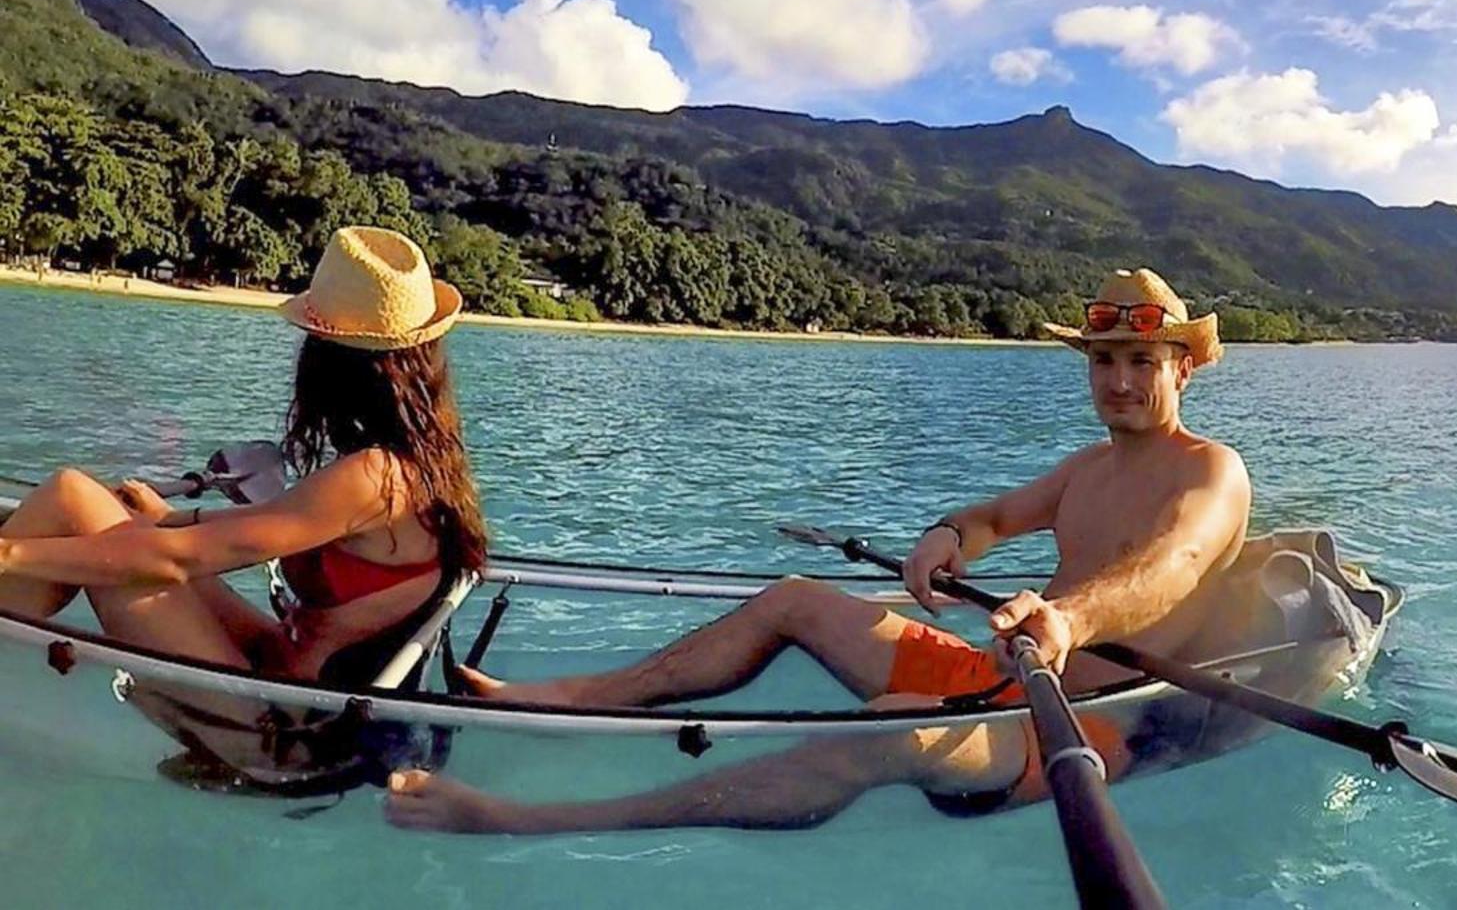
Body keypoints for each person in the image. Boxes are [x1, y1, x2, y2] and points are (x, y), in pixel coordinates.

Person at [387, 267, 1250, 834]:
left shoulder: (1212, 471)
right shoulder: (1087, 468)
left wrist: (1068, 614)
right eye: (1106, 359)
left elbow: (1170, 565)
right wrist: (947, 536)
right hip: (1003, 680)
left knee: (892, 725)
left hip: (1091, 727)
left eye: (1144, 359)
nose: (1122, 379)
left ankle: (538, 818)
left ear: (1184, 368)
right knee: (795, 595)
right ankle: (579, 697)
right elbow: (990, 518)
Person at [0, 226, 487, 776]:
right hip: (283, 687)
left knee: (72, 500)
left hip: (277, 735)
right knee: (111, 518)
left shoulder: (372, 475)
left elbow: (176, 560)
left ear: (330, 357)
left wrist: (9, 556)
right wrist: (171, 518)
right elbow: (266, 524)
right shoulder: (423, 465)